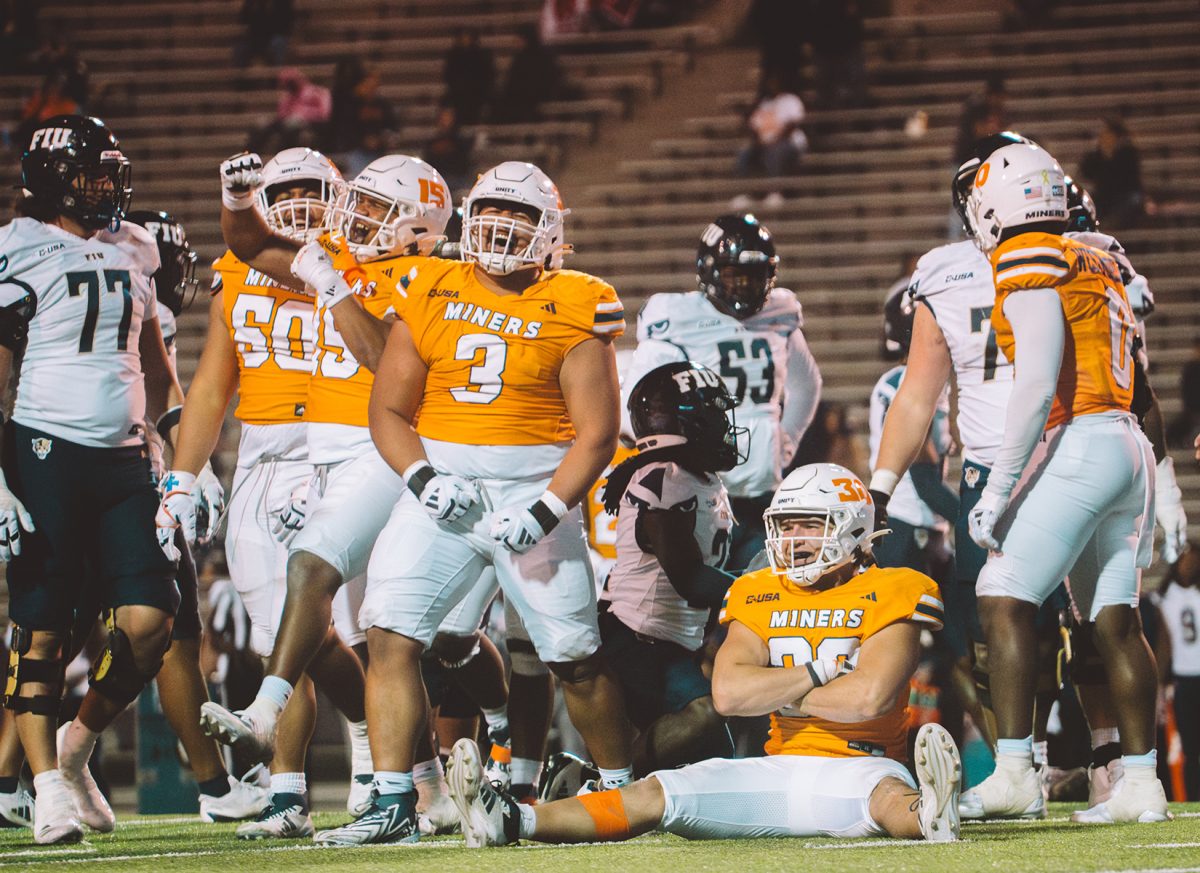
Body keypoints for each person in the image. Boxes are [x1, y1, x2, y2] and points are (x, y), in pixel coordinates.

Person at [311, 160, 637, 845]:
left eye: (520, 216)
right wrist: (425, 479)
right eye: (492, 209)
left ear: (551, 234)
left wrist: (547, 508)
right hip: (446, 492)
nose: (502, 226)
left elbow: (599, 430)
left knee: (574, 657)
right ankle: (393, 799)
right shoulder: (427, 284)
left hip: (535, 493)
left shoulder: (579, 299)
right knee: (392, 635)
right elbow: (389, 410)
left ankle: (621, 790)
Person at [191, 151, 498, 840]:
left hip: (383, 454)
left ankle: (268, 712)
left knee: (329, 579)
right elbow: (250, 245)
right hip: (331, 458)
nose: (353, 218)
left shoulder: (431, 279)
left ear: (417, 225)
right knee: (385, 635)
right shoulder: (341, 254)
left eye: (374, 210)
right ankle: (424, 786)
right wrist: (237, 199)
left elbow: (378, 355)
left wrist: (334, 286)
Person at [445, 463, 961, 848]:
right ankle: (512, 819)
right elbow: (730, 694)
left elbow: (868, 698)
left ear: (853, 527)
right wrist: (821, 671)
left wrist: (779, 689)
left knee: (891, 803)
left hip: (862, 767)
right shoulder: (760, 589)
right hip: (774, 768)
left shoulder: (897, 587)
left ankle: (930, 813)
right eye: (787, 525)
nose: (794, 540)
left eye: (811, 524)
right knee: (656, 793)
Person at [157, 148, 383, 839]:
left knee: (354, 631)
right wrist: (183, 477)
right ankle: (289, 793)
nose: (301, 207)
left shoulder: (357, 265)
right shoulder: (240, 269)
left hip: (342, 449)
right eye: (284, 193)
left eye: (315, 193)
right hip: (262, 453)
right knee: (279, 641)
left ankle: (379, 765)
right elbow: (209, 387)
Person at [955, 139, 1168, 823]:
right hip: (1128, 445)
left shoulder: (1028, 253)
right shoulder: (1099, 254)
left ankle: (1016, 769)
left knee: (1002, 591)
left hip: (1081, 439)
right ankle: (1141, 782)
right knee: (1115, 621)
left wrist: (997, 489)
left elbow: (1038, 382)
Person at [0, 115, 181, 843]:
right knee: (41, 627)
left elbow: (159, 368)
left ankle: (74, 752)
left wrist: (171, 455)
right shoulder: (15, 246)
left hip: (123, 460)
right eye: (88, 175)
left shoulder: (135, 244)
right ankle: (43, 786)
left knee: (150, 623)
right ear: (49, 178)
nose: (104, 187)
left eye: (110, 173)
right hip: (45, 451)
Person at [124, 208, 266, 825]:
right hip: (121, 476)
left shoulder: (129, 298)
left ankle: (48, 769)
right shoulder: (131, 293)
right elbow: (167, 393)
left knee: (162, 635)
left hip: (124, 473)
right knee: (157, 634)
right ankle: (59, 763)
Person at [626, 215, 821, 574]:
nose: (745, 285)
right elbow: (639, 406)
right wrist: (682, 460)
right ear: (710, 271)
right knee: (696, 604)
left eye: (755, 274)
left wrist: (785, 441)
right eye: (735, 274)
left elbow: (807, 385)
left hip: (762, 491)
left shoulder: (780, 312)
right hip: (698, 494)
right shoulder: (675, 317)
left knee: (756, 604)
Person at [600, 362, 740, 775]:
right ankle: (610, 788)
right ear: (688, 421)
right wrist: (761, 590)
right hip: (635, 639)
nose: (723, 425)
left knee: (715, 757)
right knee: (705, 718)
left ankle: (602, 781)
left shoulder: (697, 478)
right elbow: (691, 580)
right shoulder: (665, 478)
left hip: (668, 641)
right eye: (715, 414)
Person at [868, 285, 957, 577]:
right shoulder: (914, 383)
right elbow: (925, 482)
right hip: (908, 525)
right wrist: (970, 519)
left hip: (906, 521)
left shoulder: (892, 380)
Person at [1153, 546, 1200, 799]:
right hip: (1183, 678)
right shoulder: (1165, 597)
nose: (1188, 565)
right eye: (1183, 560)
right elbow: (1164, 644)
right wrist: (1161, 684)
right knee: (1191, 747)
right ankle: (1194, 797)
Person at [734, 72, 807, 208]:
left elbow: (792, 124)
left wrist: (775, 140)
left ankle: (775, 192)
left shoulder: (791, 100)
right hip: (765, 143)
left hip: (789, 143)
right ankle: (744, 193)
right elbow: (754, 126)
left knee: (775, 152)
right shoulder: (764, 103)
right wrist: (758, 142)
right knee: (745, 153)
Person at [1080, 117, 1144, 229]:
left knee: (1133, 200)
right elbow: (1086, 173)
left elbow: (1127, 179)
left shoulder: (1128, 154)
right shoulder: (1096, 156)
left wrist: (1110, 158)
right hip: (1103, 195)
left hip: (1124, 195)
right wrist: (1104, 155)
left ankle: (1112, 226)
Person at [494, 26, 561, 124]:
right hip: (521, 96)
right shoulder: (519, 58)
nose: (516, 43)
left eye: (519, 40)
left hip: (538, 95)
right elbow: (511, 81)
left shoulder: (544, 56)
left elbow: (551, 78)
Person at [442, 29, 494, 126]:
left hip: (475, 97)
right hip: (458, 97)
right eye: (463, 37)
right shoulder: (454, 55)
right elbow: (448, 75)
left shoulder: (481, 55)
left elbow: (487, 76)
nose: (465, 40)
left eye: (468, 37)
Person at [233, 0, 293, 67]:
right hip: (255, 38)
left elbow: (286, 23)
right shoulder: (252, 2)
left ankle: (277, 73)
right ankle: (239, 76)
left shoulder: (283, 2)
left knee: (278, 43)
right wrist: (252, 7)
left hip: (274, 36)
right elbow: (243, 19)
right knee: (240, 49)